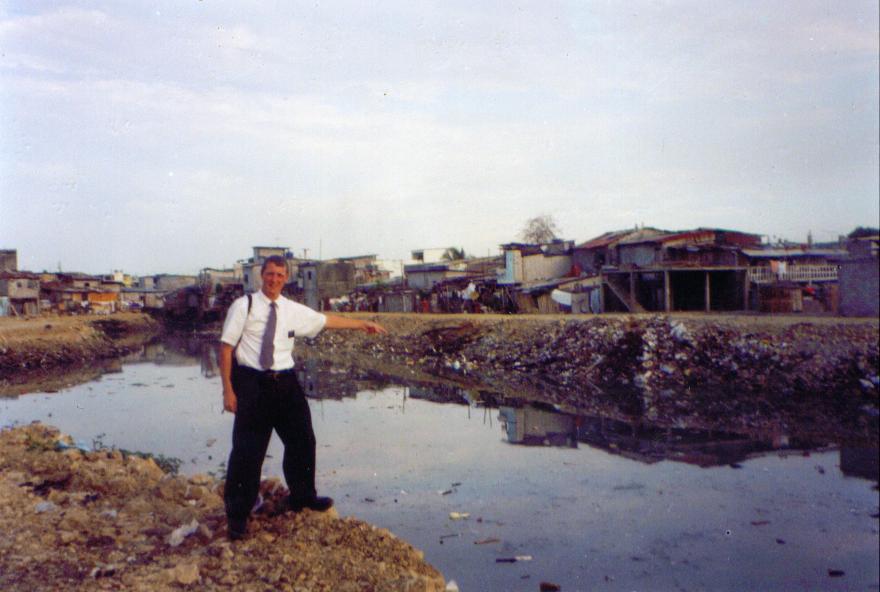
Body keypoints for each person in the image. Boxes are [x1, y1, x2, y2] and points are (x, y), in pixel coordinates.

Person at [219, 255, 386, 540]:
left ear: (286, 278)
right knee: (248, 451)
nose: (274, 279)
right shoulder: (244, 306)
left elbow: (325, 320)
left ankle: (303, 496)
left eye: (279, 275)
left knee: (303, 440)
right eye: (270, 274)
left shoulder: (292, 310)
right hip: (252, 384)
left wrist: (361, 324)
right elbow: (225, 348)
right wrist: (228, 390)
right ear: (262, 275)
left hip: (286, 383)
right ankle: (237, 516)